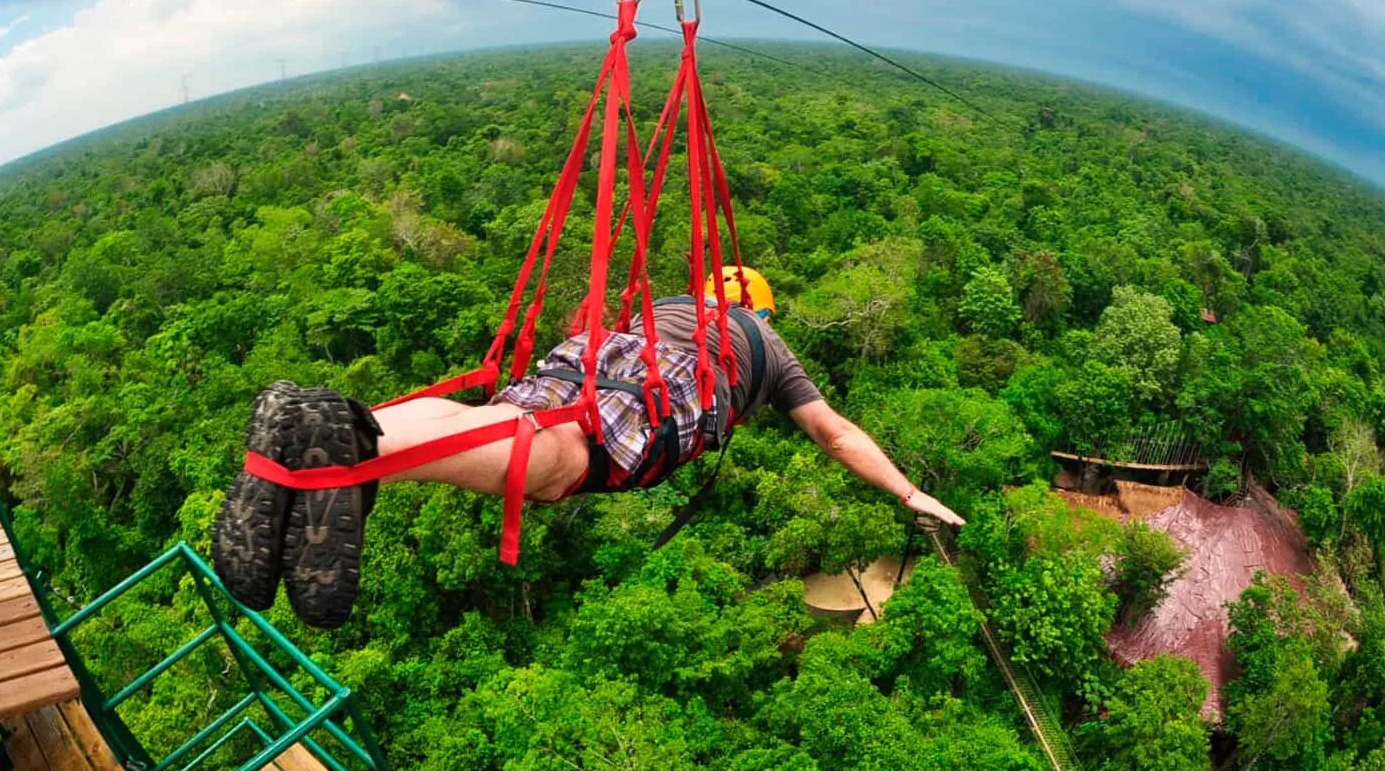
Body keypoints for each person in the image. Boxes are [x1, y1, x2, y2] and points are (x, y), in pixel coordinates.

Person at [214, 267, 965, 627]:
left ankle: (349, 430)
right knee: (564, 461)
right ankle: (345, 445)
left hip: (599, 348)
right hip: (669, 387)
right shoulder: (765, 345)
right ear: (760, 310)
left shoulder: (672, 304)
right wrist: (906, 490)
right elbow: (835, 432)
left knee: (508, 413)